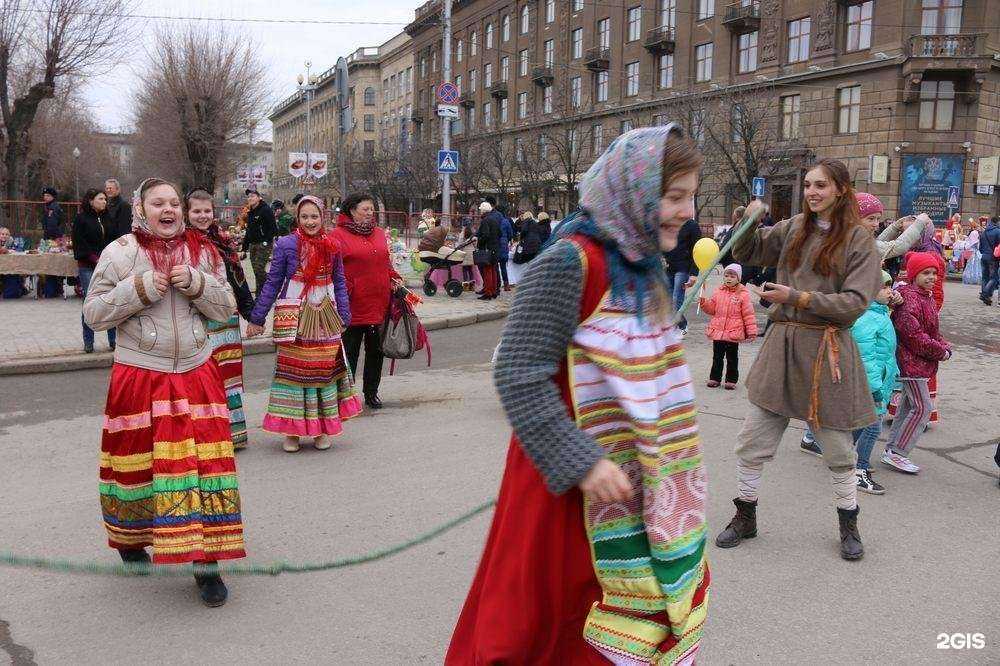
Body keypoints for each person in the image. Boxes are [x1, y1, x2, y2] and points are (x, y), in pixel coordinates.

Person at [447, 125, 709, 665]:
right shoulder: (569, 261)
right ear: (633, 193)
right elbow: (518, 374)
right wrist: (582, 462)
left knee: (629, 619)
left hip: (631, 483)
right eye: (675, 196)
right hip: (565, 488)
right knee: (548, 626)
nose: (687, 211)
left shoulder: (644, 266)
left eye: (690, 196)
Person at [83, 177, 242, 607]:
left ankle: (208, 565)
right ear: (142, 208)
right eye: (159, 203)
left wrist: (197, 283)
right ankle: (132, 540)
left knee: (206, 471)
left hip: (196, 372)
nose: (168, 209)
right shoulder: (120, 252)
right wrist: (139, 289)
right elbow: (93, 313)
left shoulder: (204, 252)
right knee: (137, 469)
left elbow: (227, 306)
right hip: (140, 375)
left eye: (174, 202)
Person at [715, 158, 882, 561]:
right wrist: (749, 221)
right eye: (808, 185)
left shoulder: (859, 240)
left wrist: (797, 297)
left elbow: (855, 304)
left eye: (821, 185)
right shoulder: (793, 227)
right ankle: (745, 516)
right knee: (752, 440)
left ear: (840, 189)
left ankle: (848, 524)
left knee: (839, 450)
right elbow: (750, 250)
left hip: (828, 351)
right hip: (782, 345)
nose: (812, 192)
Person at [247, 195, 360, 451]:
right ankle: (292, 432)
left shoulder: (332, 245)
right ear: (297, 219)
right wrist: (257, 316)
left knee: (323, 371)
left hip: (326, 315)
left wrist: (345, 313)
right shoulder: (286, 245)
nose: (310, 221)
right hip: (295, 314)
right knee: (293, 373)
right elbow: (273, 282)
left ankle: (321, 429)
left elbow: (340, 281)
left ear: (323, 217)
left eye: (315, 216)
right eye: (305, 216)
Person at [186, 189, 256, 451]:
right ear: (187, 213)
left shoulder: (223, 241)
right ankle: (205, 434)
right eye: (196, 211)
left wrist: (253, 316)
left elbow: (239, 280)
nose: (202, 216)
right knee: (202, 377)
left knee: (228, 377)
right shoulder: (180, 243)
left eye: (207, 211)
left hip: (226, 321)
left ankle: (232, 434)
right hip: (197, 320)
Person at [330, 192, 403, 409]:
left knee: (376, 352)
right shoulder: (337, 235)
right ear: (352, 211)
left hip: (378, 302)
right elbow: (333, 270)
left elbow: (384, 262)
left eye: (372, 209)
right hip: (352, 305)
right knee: (348, 354)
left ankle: (371, 393)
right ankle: (345, 397)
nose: (370, 213)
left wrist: (394, 278)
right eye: (365, 209)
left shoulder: (379, 234)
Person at [882, 253, 951, 474]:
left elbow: (931, 330)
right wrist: (940, 351)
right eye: (926, 273)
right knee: (922, 408)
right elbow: (914, 336)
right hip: (910, 362)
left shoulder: (926, 296)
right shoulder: (909, 298)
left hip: (919, 362)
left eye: (934, 273)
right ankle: (897, 453)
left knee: (908, 406)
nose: (931, 277)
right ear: (914, 275)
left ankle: (893, 450)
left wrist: (942, 343)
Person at [72, 188, 117, 353]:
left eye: (105, 199)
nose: (104, 202)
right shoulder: (81, 219)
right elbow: (79, 242)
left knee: (111, 300)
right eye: (100, 199)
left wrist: (111, 258)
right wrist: (94, 259)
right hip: (89, 266)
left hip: (109, 266)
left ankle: (113, 340)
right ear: (91, 201)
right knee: (90, 302)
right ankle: (89, 341)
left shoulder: (108, 218)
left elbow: (115, 239)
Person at [700, 263, 757, 389]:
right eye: (726, 275)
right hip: (718, 331)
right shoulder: (718, 292)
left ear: (738, 278)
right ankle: (715, 378)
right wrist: (704, 302)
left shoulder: (743, 294)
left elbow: (749, 314)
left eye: (732, 276)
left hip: (733, 332)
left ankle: (731, 380)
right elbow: (712, 309)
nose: (728, 278)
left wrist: (751, 331)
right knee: (717, 357)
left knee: (732, 357)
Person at [663, 216, 701, 334]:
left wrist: (694, 273)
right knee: (666, 300)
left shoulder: (692, 226)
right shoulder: (669, 223)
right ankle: (680, 324)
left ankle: (678, 326)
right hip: (668, 267)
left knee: (676, 299)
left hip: (683, 268)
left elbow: (698, 250)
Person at [240, 189, 278, 298]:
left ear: (259, 197)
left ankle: (272, 287)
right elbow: (249, 231)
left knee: (259, 269)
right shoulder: (251, 212)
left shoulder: (265, 210)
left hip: (264, 244)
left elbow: (273, 228)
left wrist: (266, 240)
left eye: (253, 196)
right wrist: (244, 247)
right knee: (255, 272)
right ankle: (260, 295)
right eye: (249, 197)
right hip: (253, 244)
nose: (250, 198)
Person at [39, 187, 66, 298]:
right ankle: (54, 288)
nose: (45, 197)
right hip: (53, 238)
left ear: (53, 197)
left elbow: (52, 225)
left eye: (48, 196)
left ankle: (53, 289)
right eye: (44, 195)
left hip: (53, 239)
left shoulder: (53, 208)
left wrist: (50, 240)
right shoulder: (49, 206)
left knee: (51, 263)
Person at [475, 200, 502, 300]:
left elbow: (485, 235)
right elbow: (500, 233)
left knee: (487, 271)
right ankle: (494, 290)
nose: (480, 212)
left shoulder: (486, 220)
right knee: (493, 270)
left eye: (480, 210)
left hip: (487, 249)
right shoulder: (494, 219)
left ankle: (488, 292)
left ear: (483, 210)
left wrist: (479, 242)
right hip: (495, 248)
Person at [0, 226, 27, 299]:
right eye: (2, 234)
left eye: (6, 234)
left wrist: (10, 250)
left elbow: (17, 249)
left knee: (14, 273)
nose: (4, 236)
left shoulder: (11, 241)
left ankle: (19, 288)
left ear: (9, 235)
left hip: (9, 264)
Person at [978, 215, 1000, 305]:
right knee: (994, 277)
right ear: (997, 222)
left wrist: (984, 252)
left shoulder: (984, 232)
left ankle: (986, 296)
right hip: (993, 258)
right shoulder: (998, 231)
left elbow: (980, 247)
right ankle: (985, 293)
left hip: (984, 257)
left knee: (985, 277)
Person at [496, 205, 514, 291]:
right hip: (503, 245)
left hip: (495, 245)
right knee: (503, 266)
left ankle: (497, 284)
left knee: (495, 266)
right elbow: (510, 234)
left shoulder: (494, 220)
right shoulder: (506, 221)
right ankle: (506, 284)